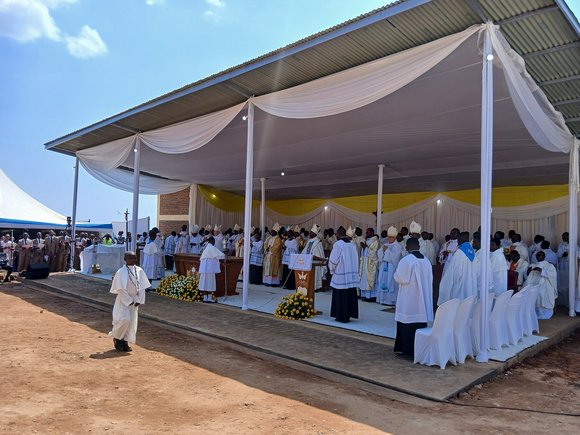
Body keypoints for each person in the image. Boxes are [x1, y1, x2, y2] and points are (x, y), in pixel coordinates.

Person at [393, 237, 433, 358]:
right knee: (419, 324)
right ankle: (418, 350)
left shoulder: (407, 260)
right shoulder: (426, 260)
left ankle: (406, 350)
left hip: (409, 298)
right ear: (419, 247)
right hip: (422, 299)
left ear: (407, 247)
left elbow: (400, 278)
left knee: (407, 323)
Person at [109, 251, 150, 352]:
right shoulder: (121, 272)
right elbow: (119, 289)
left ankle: (125, 341)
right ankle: (117, 338)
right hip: (123, 300)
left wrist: (139, 299)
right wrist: (128, 300)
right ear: (125, 259)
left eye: (134, 258)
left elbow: (142, 287)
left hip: (135, 299)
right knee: (124, 319)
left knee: (131, 322)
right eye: (130, 258)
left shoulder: (139, 270)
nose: (133, 260)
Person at [328, 227, 359, 323]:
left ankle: (341, 316)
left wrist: (332, 270)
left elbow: (333, 260)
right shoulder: (352, 244)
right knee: (349, 295)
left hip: (341, 274)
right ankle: (348, 315)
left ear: (337, 234)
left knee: (340, 295)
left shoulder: (338, 244)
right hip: (351, 274)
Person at [437, 231, 476, 305]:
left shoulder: (459, 253)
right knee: (468, 301)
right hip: (470, 281)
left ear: (458, 240)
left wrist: (446, 284)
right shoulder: (472, 251)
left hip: (460, 284)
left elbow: (455, 273)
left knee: (459, 303)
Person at [524, 251, 558, 319]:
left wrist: (541, 270)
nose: (539, 257)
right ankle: (534, 313)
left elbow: (553, 276)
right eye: (538, 255)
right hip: (533, 284)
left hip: (546, 284)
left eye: (540, 255)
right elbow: (527, 276)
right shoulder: (532, 265)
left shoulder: (549, 266)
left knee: (542, 291)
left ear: (544, 256)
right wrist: (528, 271)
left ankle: (545, 313)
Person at [376, 226, 401, 306]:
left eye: (391, 237)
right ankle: (383, 299)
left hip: (391, 268)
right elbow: (379, 254)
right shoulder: (385, 245)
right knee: (383, 281)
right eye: (389, 237)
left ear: (395, 238)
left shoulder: (397, 246)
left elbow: (395, 257)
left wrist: (386, 251)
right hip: (384, 267)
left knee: (391, 282)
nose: (389, 239)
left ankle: (390, 301)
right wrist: (383, 252)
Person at [198, 236, 225, 303]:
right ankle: (209, 298)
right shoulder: (212, 248)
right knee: (210, 283)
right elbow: (221, 256)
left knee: (204, 283)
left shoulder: (206, 249)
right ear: (212, 241)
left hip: (204, 270)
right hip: (210, 270)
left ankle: (205, 298)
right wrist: (225, 253)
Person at [303, 224, 326, 292]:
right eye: (310, 232)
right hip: (308, 262)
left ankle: (315, 287)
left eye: (311, 233)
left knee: (315, 276)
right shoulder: (309, 241)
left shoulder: (318, 242)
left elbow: (319, 254)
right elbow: (305, 250)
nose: (309, 234)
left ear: (315, 234)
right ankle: (309, 286)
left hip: (315, 263)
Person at [359, 227, 380, 301]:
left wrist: (365, 247)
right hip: (365, 262)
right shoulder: (367, 240)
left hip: (371, 263)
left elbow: (374, 253)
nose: (366, 233)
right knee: (364, 279)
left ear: (372, 232)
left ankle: (371, 296)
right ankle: (364, 295)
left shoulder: (376, 241)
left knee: (370, 279)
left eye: (368, 232)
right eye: (366, 232)